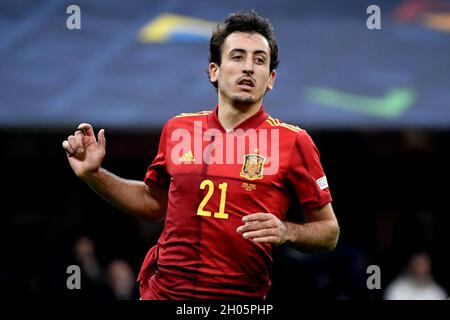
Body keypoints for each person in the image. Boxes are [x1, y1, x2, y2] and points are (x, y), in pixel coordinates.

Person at [62, 10, 340, 300]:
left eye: (259, 60)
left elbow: (329, 232)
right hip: (165, 295)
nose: (248, 68)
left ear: (270, 79)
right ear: (214, 71)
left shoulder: (294, 141)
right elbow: (153, 203)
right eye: (237, 56)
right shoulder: (178, 129)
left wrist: (287, 231)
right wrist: (93, 175)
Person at [384, 252, 448, 300]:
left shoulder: (438, 293)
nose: (420, 269)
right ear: (410, 266)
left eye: (424, 264)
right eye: (417, 263)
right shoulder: (396, 290)